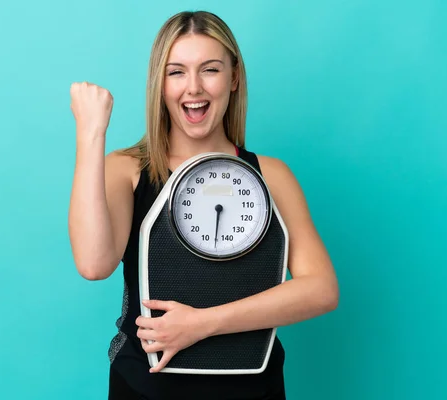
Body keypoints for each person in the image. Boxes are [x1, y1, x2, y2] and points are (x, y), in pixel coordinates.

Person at [68, 10, 339, 400]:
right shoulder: (126, 169)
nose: (193, 88)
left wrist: (203, 323)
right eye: (176, 72)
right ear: (159, 85)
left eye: (209, 69)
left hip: (253, 387)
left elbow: (321, 289)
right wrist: (91, 133)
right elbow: (94, 265)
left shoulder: (272, 175)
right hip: (146, 388)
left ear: (234, 79)